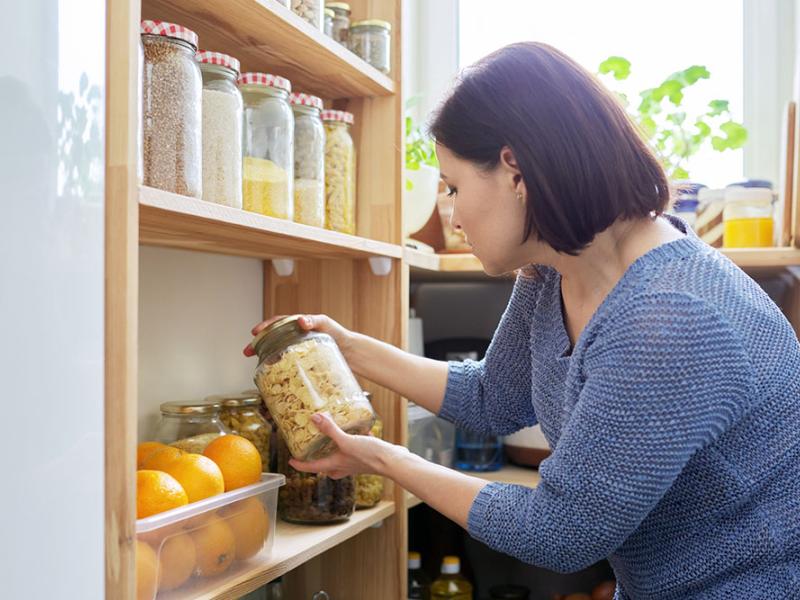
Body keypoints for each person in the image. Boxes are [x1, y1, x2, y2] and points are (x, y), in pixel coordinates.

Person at [245, 42, 800, 599]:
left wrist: (387, 459)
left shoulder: (669, 316)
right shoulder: (554, 267)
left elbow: (557, 533)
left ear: (515, 169)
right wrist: (348, 349)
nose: (454, 214)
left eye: (456, 186)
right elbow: (496, 396)